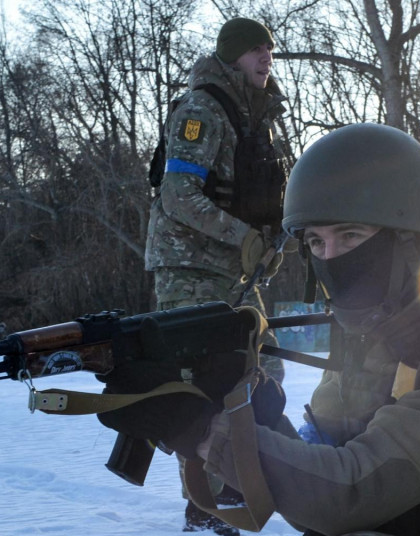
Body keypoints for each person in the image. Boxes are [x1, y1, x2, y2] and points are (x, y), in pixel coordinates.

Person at [102, 124, 420, 534]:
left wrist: (203, 432)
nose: (332, 258)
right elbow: (323, 470)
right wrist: (261, 420)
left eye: (352, 235)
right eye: (316, 241)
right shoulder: (376, 344)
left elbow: (352, 492)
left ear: (412, 240)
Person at [144, 17, 290, 534]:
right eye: (255, 50)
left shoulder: (261, 118)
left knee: (258, 378)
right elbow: (177, 195)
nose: (265, 57)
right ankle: (204, 508)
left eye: (269, 49)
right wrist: (243, 239)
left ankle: (232, 490)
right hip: (191, 270)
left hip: (236, 273)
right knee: (205, 389)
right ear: (232, 56)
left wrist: (270, 241)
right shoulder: (203, 109)